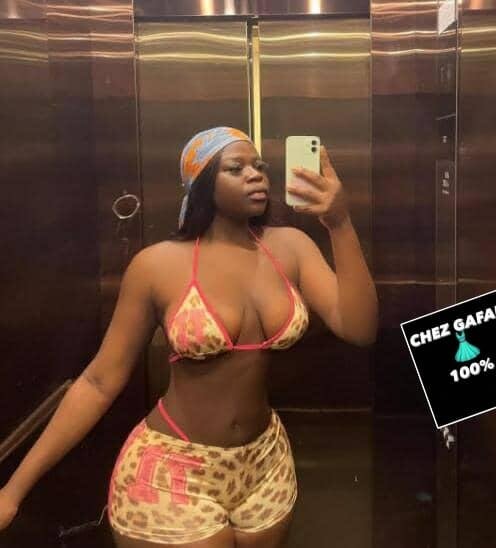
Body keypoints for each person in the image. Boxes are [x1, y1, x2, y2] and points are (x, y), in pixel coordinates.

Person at [0, 126, 378, 547]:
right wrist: (12, 491)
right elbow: (98, 381)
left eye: (259, 166)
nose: (255, 175)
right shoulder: (157, 265)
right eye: (236, 168)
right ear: (201, 182)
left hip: (265, 463)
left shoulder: (291, 246)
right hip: (172, 469)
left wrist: (340, 223)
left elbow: (359, 328)